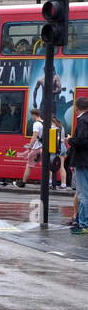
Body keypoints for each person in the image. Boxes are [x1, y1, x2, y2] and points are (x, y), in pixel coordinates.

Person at [66, 96, 88, 234]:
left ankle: (83, 224)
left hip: (83, 160)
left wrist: (70, 140)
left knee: (83, 193)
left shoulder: (83, 120)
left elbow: (81, 140)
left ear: (76, 108)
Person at [17, 109, 43, 188]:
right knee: (45, 166)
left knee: (29, 165)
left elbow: (34, 137)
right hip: (44, 147)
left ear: (34, 115)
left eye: (31, 115)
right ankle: (48, 182)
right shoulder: (44, 122)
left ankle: (23, 183)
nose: (31, 117)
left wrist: (30, 147)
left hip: (37, 147)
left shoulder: (36, 124)